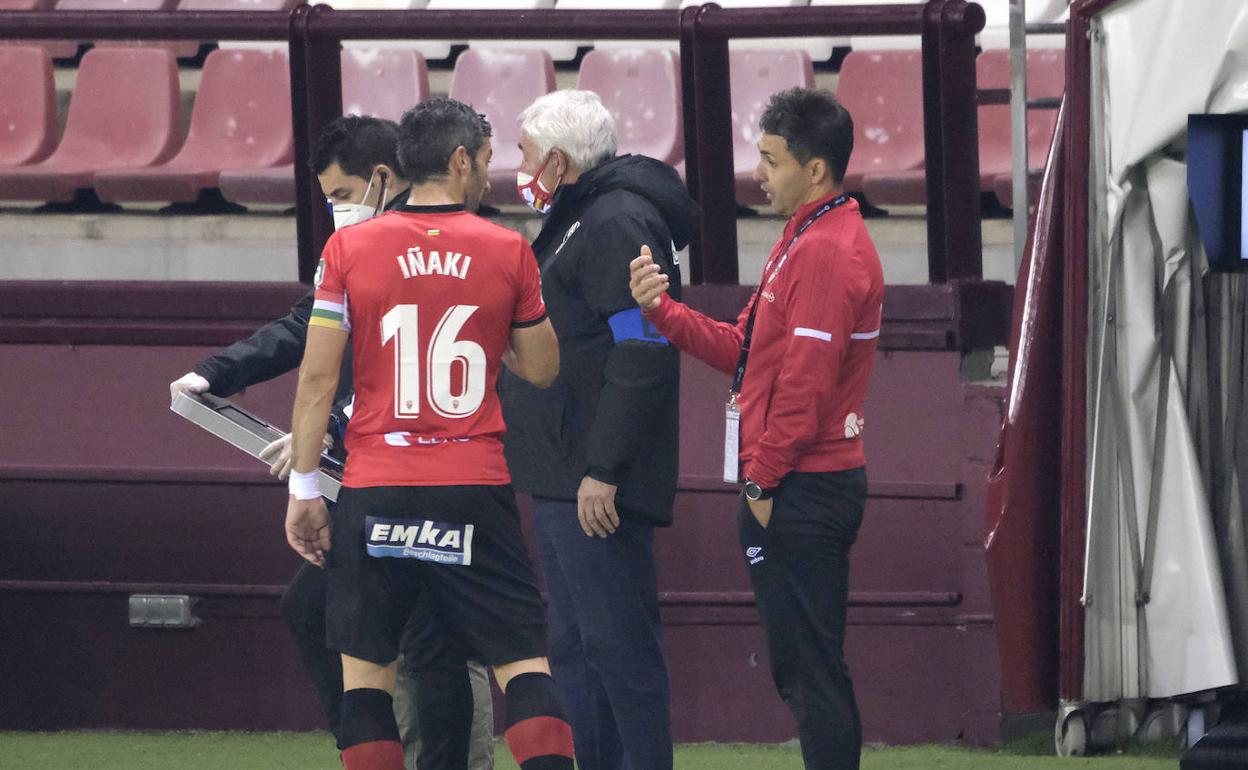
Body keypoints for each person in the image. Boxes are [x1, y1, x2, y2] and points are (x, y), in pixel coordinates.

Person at [168, 114, 496, 770]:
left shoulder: (418, 245)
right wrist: (217, 371)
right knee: (342, 617)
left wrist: (328, 431)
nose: (336, 209)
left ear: (382, 176)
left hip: (423, 465)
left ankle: (436, 758)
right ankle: (379, 750)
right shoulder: (363, 246)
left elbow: (416, 360)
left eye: (341, 193)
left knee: (433, 642)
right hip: (372, 467)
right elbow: (307, 325)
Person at [283, 97, 574, 770]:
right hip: (472, 484)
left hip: (376, 485)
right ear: (461, 159)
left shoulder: (348, 248)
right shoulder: (507, 250)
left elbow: (317, 381)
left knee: (369, 680)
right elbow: (541, 368)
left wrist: (304, 488)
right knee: (523, 667)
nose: (490, 176)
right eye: (488, 161)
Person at [629, 87, 884, 770]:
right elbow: (744, 353)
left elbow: (804, 387)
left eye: (771, 159)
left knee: (809, 671)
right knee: (803, 668)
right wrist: (664, 312)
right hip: (796, 484)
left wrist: (761, 485)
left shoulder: (827, 253)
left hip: (803, 488)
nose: (759, 174)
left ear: (817, 170)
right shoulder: (806, 237)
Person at [499, 89, 695, 770]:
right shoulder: (586, 216)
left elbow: (642, 349)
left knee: (616, 646)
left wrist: (604, 467)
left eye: (524, 154)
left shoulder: (613, 222)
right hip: (565, 469)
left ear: (556, 159)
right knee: (580, 645)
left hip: (590, 477)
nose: (517, 167)